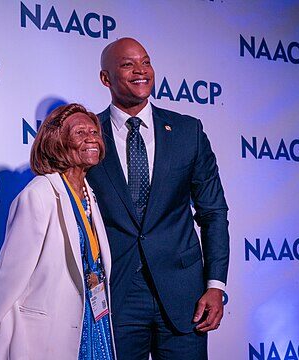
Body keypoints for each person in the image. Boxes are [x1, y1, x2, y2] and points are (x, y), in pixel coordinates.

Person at [86, 38, 230, 360]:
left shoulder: (187, 131)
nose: (141, 71)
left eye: (146, 62)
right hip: (116, 295)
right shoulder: (89, 134)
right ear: (105, 79)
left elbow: (213, 213)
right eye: (127, 64)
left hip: (184, 295)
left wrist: (216, 285)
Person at [0, 104, 115, 360]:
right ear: (58, 142)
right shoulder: (38, 195)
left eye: (94, 131)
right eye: (80, 132)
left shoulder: (89, 194)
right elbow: (8, 280)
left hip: (94, 323)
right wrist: (0, 343)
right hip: (48, 334)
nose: (92, 138)